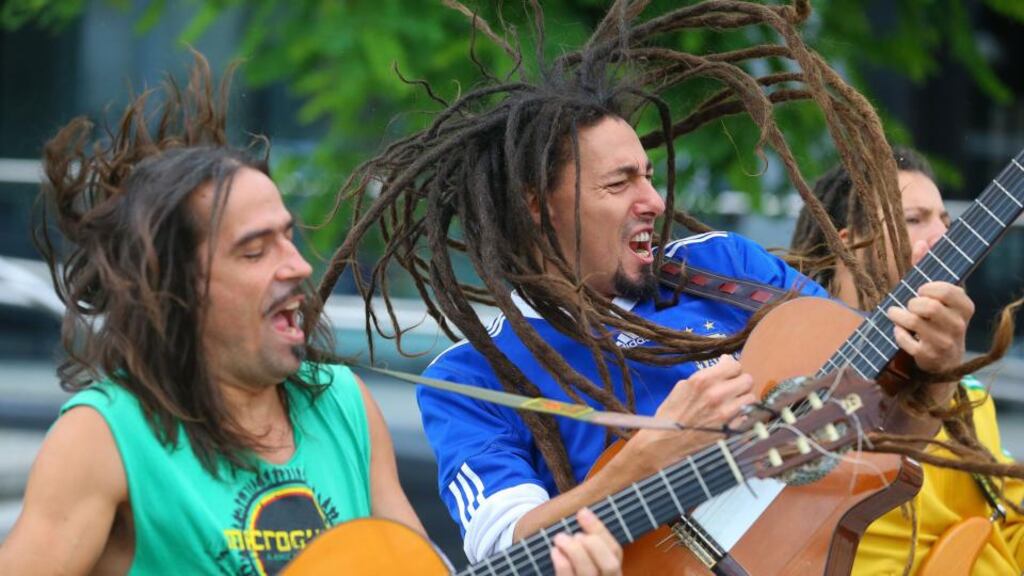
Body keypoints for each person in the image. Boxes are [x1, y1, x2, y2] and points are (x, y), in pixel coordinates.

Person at [320, 3, 985, 566]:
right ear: (536, 206)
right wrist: (652, 453)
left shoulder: (729, 267)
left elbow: (875, 431)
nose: (655, 200)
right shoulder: (472, 374)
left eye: (647, 173)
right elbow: (504, 555)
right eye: (620, 184)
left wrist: (935, 372)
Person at [0, 56, 624, 575]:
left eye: (288, 237)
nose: (297, 265)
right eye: (254, 249)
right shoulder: (106, 436)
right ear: (173, 288)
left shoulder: (344, 405)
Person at [791, 147, 1024, 574]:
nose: (946, 237)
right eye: (915, 220)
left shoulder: (974, 399)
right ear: (849, 246)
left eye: (946, 221)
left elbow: (1006, 534)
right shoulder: (795, 386)